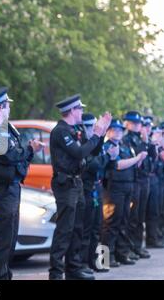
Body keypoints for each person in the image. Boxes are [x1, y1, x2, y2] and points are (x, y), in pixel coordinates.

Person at [0, 87, 44, 280]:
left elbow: (16, 158)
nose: (9, 109)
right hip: (1, 191)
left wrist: (25, 153)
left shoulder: (4, 129)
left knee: (10, 240)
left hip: (11, 189)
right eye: (6, 106)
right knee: (2, 241)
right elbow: (12, 156)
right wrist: (29, 150)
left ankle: (5, 276)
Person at [47, 94, 111, 280]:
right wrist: (97, 134)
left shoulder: (76, 130)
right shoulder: (61, 131)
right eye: (80, 109)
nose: (82, 111)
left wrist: (102, 132)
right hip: (65, 184)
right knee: (65, 229)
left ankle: (73, 268)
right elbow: (79, 152)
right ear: (72, 111)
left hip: (76, 182)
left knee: (78, 228)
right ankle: (56, 272)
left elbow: (92, 151)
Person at [101, 119, 147, 267]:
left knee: (123, 222)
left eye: (121, 130)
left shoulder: (124, 146)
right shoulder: (108, 146)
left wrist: (138, 159)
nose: (119, 132)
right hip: (114, 188)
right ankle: (106, 258)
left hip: (127, 187)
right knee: (111, 224)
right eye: (115, 129)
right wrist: (137, 158)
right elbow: (119, 165)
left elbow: (134, 166)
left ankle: (121, 253)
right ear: (108, 131)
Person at [79, 113, 118, 273]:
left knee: (97, 227)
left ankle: (94, 261)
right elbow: (93, 165)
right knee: (85, 229)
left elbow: (106, 166)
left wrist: (111, 157)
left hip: (97, 187)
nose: (96, 129)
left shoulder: (96, 143)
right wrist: (109, 156)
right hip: (86, 188)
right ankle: (82, 263)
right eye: (92, 127)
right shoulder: (84, 144)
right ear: (85, 128)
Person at [122, 111, 151, 260]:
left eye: (139, 123)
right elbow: (135, 159)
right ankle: (129, 248)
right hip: (134, 181)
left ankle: (137, 246)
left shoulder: (141, 138)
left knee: (140, 217)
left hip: (143, 180)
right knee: (131, 217)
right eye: (135, 123)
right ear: (127, 123)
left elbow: (151, 156)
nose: (138, 126)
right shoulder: (126, 140)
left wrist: (147, 142)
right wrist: (143, 143)